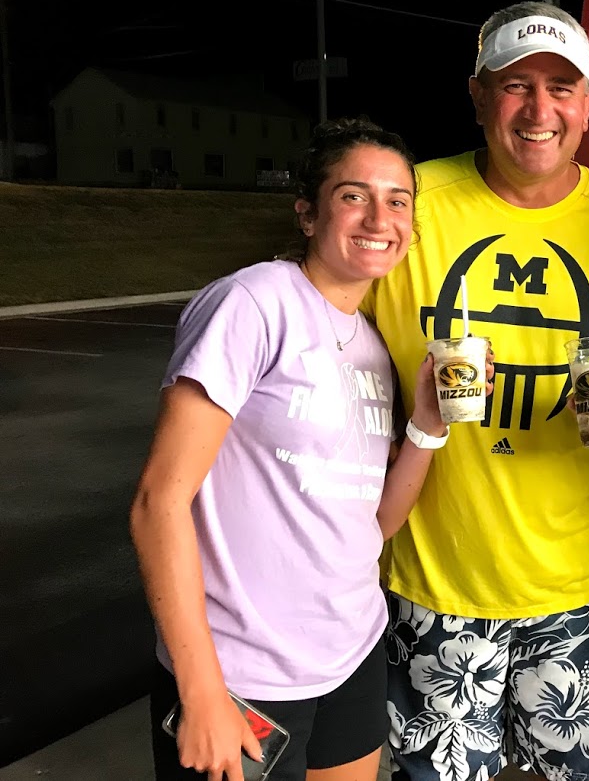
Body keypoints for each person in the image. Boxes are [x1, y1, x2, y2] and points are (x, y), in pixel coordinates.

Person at [362, 1, 589, 781]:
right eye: (516, 85)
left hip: (576, 584)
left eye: (562, 87)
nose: (540, 110)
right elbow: (327, 332)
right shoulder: (409, 202)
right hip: (433, 579)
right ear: (477, 96)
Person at [131, 118, 461, 781]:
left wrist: (426, 427)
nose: (379, 215)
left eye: (398, 199)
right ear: (307, 213)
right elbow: (156, 501)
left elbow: (373, 524)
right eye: (353, 194)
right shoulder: (254, 303)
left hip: (350, 652)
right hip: (242, 671)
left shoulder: (369, 345)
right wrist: (201, 689)